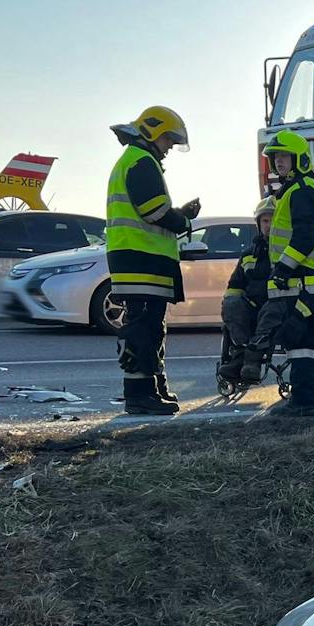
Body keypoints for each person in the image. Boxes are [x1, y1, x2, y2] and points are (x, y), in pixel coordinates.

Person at [104, 106, 201, 415]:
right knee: (143, 327)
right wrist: (183, 220)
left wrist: (180, 215)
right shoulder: (142, 162)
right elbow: (155, 212)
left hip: (139, 258)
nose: (169, 148)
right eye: (167, 141)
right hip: (141, 259)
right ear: (152, 133)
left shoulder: (135, 161)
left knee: (150, 326)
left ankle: (152, 388)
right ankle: (139, 393)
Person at [248, 130, 314, 415]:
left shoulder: (303, 190)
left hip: (306, 281)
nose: (278, 162)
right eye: (275, 157)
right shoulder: (293, 190)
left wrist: (284, 268)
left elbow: (305, 236)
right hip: (304, 281)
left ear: (299, 158)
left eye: (284, 156)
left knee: (300, 342)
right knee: (306, 343)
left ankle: (305, 402)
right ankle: (308, 400)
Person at [218, 197, 274, 383]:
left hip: (276, 306)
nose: (269, 225)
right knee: (232, 302)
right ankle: (242, 355)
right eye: (265, 221)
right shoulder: (249, 254)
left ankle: (251, 361)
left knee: (271, 310)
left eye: (273, 220)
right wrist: (229, 305)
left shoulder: (286, 252)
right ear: (259, 224)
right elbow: (235, 286)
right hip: (251, 307)